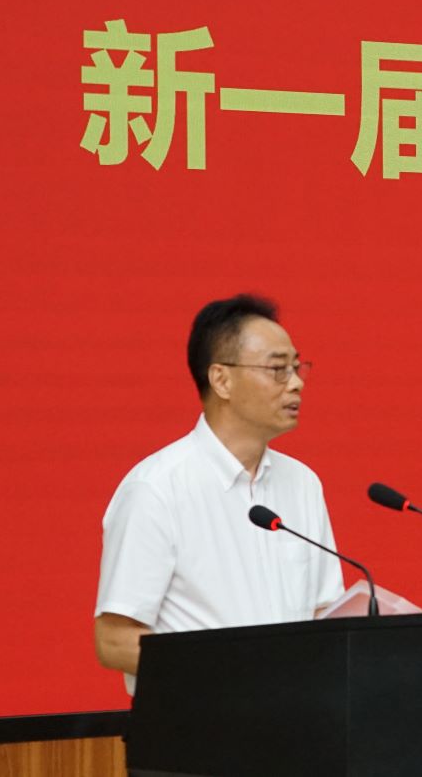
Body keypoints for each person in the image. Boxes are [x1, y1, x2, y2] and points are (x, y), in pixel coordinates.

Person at [93, 294, 343, 688]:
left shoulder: (303, 483)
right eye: (277, 369)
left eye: (297, 368)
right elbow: (114, 640)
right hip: (200, 717)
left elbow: (324, 614)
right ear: (221, 380)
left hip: (296, 714)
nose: (296, 383)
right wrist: (233, 676)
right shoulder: (157, 489)